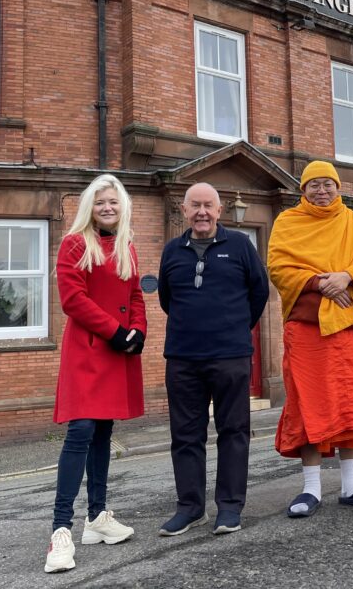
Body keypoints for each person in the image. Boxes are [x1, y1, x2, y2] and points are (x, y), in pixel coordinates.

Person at [268, 160, 353, 517]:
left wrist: (347, 276)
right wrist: (320, 283)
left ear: (338, 187)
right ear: (302, 190)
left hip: (347, 331)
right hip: (306, 332)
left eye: (328, 184)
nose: (321, 191)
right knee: (308, 406)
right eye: (313, 185)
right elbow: (278, 267)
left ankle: (352, 485)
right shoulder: (287, 222)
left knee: (351, 407)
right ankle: (311, 489)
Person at [45, 174, 147, 573]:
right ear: (91, 206)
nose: (108, 207)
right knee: (81, 431)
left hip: (119, 349)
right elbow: (73, 300)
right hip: (89, 352)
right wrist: (117, 331)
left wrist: (138, 331)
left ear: (123, 207)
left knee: (104, 432)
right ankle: (60, 530)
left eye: (114, 202)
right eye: (101, 202)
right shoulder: (74, 244)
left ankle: (97, 518)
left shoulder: (127, 246)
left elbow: (135, 295)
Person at [157, 182, 269, 537]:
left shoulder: (240, 246)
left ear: (219, 211)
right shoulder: (172, 251)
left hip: (231, 356)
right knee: (185, 435)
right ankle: (190, 508)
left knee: (233, 432)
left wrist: (234, 327)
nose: (202, 212)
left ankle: (230, 507)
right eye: (195, 206)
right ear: (184, 211)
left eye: (208, 205)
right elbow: (166, 298)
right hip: (183, 358)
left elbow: (259, 291)